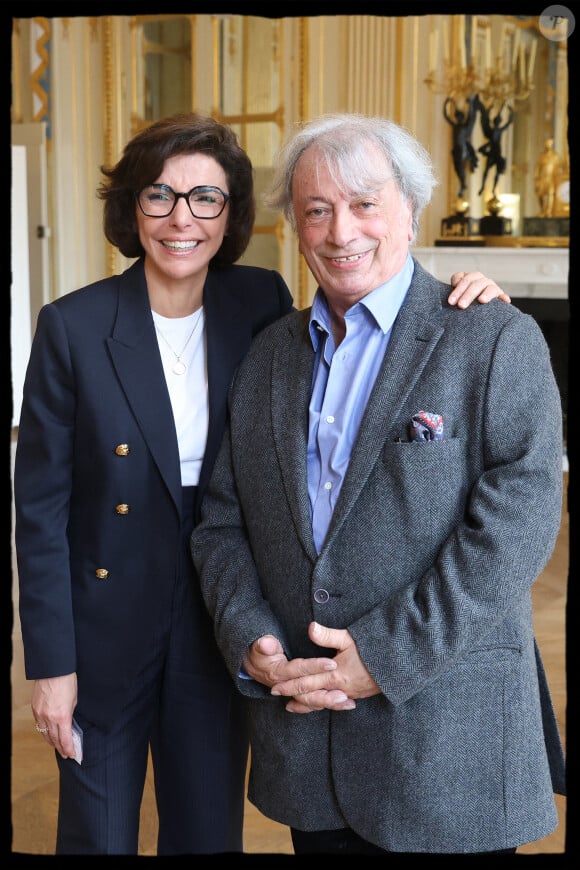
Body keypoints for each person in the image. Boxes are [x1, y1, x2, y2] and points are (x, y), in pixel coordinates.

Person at [13, 111, 504, 856]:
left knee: (209, 829)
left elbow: (367, 332)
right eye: (159, 197)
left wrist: (467, 289)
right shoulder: (73, 326)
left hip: (225, 613)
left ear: (231, 213)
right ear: (131, 209)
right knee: (97, 830)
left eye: (205, 198)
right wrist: (51, 666)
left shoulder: (261, 302)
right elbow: (39, 509)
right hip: (106, 615)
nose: (183, 220)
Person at [191, 113, 566, 856]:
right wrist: (251, 637)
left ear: (411, 208)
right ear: (296, 228)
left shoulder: (493, 338)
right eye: (317, 210)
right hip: (308, 742)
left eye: (365, 202)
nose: (341, 231)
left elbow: (515, 530)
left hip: (446, 748)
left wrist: (383, 658)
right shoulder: (268, 356)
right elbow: (222, 523)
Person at [443, 95, 479, 199]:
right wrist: (447, 102)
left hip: (462, 149)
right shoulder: (455, 126)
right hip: (455, 150)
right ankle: (462, 183)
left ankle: (463, 184)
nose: (457, 119)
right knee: (457, 168)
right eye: (457, 117)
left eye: (459, 117)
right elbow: (446, 116)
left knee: (461, 168)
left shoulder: (465, 127)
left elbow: (471, 117)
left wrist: (471, 104)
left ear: (462, 118)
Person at [477, 99, 514, 197]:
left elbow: (509, 122)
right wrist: (488, 110)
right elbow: (485, 121)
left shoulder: (499, 130)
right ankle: (483, 187)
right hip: (492, 153)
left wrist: (511, 112)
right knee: (486, 171)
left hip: (497, 153)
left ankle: (493, 190)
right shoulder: (492, 130)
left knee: (496, 173)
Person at [534, 138, 563, 218]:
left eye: (549, 143)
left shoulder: (555, 156)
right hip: (542, 178)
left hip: (551, 178)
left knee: (551, 193)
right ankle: (542, 210)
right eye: (547, 143)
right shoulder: (542, 156)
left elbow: (560, 167)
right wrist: (536, 178)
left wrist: (559, 177)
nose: (548, 145)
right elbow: (537, 167)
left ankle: (549, 211)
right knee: (540, 194)